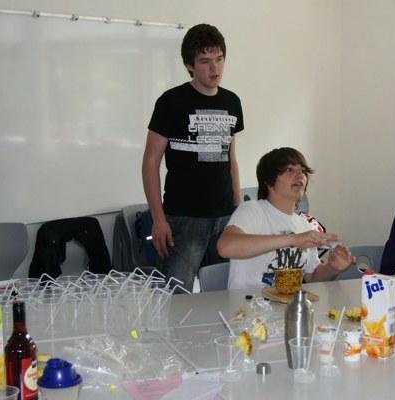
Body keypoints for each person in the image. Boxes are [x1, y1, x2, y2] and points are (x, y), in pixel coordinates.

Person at [142, 24, 244, 292]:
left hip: (224, 216)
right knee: (176, 297)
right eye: (205, 61)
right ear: (189, 65)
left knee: (223, 294)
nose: (215, 68)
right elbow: (151, 162)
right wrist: (158, 218)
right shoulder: (171, 101)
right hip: (183, 218)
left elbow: (230, 157)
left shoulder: (232, 102)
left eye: (219, 59)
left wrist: (238, 206)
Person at [217, 147, 355, 290]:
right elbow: (225, 247)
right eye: (290, 169)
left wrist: (333, 268)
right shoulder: (252, 211)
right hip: (247, 303)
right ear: (269, 180)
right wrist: (293, 240)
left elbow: (312, 277)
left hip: (288, 303)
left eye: (303, 170)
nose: (300, 175)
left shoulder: (304, 225)